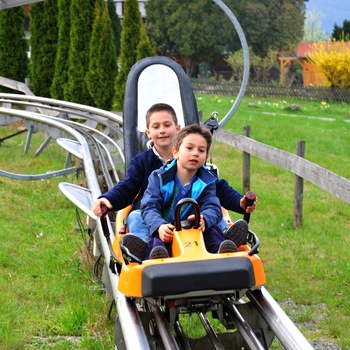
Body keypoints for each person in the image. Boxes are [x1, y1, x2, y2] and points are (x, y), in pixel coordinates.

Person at [92, 103, 257, 256]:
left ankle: (224, 242)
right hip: (157, 216)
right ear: (148, 132)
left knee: (216, 214)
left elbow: (218, 190)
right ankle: (144, 248)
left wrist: (240, 202)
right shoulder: (146, 166)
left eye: (167, 125)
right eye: (156, 127)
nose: (162, 130)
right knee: (136, 216)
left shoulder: (197, 164)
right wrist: (108, 198)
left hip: (192, 217)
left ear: (177, 129)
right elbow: (127, 188)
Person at [140, 124, 240, 260]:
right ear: (175, 152)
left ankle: (223, 251)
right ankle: (157, 256)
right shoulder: (159, 177)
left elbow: (212, 206)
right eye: (189, 148)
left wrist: (204, 219)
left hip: (194, 229)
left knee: (213, 230)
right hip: (166, 227)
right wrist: (159, 225)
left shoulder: (207, 181)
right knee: (155, 239)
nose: (195, 153)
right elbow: (149, 206)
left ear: (205, 158)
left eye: (201, 150)